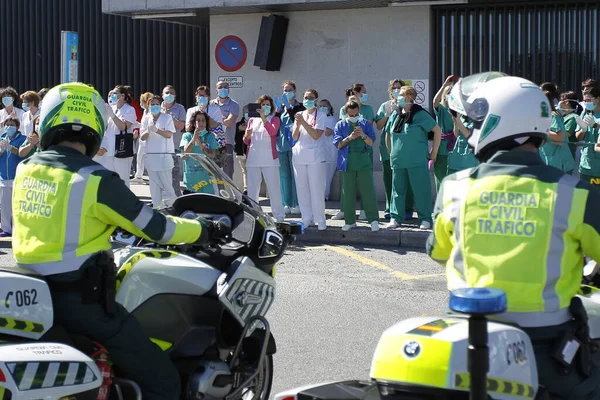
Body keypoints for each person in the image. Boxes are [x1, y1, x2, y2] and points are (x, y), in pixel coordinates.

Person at [12, 82, 227, 400]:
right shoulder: (95, 179)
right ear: (96, 126)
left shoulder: (25, 168)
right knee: (164, 382)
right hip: (83, 303)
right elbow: (158, 230)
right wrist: (204, 228)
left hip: (33, 297)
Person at [426, 72, 600, 399]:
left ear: (494, 124)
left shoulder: (455, 188)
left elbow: (437, 250)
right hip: (546, 352)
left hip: (465, 342)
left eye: (475, 120)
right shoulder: (574, 194)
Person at [385, 86, 441, 230]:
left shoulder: (420, 114)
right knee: (397, 191)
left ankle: (425, 219)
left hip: (417, 160)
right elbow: (388, 135)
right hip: (398, 161)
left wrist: (434, 152)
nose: (398, 97)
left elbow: (437, 130)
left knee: (421, 190)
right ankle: (395, 218)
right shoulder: (395, 114)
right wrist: (392, 152)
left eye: (401, 95)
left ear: (409, 97)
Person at [333, 101, 379, 232]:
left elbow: (371, 142)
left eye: (356, 114)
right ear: (346, 113)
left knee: (368, 191)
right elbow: (338, 144)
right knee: (347, 193)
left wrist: (363, 135)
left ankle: (374, 219)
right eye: (351, 114)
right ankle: (350, 221)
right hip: (347, 162)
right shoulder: (340, 125)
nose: (354, 116)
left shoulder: (365, 123)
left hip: (363, 161)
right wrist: (350, 137)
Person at [243, 95, 285, 222]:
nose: (265, 107)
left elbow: (273, 132)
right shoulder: (251, 120)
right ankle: (253, 214)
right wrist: (247, 135)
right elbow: (246, 140)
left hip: (269, 159)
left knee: (273, 188)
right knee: (252, 189)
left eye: (267, 105)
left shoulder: (275, 119)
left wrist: (263, 118)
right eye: (263, 105)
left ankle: (278, 215)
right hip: (254, 157)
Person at [292, 89, 327, 231]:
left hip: (316, 157)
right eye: (306, 97)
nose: (308, 100)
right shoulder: (299, 115)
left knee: (316, 189)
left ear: (316, 100)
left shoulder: (321, 115)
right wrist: (298, 124)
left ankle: (320, 219)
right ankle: (306, 217)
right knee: (302, 188)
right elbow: (295, 137)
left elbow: (316, 135)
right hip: (300, 155)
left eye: (311, 98)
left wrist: (304, 123)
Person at [96, 85, 138, 187]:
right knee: (110, 180)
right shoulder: (112, 108)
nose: (112, 96)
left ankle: (125, 202)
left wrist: (113, 115)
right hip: (110, 149)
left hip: (122, 149)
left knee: (122, 180)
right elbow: (106, 128)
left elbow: (123, 126)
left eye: (115, 94)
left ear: (122, 96)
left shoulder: (129, 109)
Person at [376, 79, 405, 220]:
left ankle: (405, 208)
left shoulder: (407, 106)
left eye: (399, 88)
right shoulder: (385, 106)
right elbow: (379, 126)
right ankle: (390, 207)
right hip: (387, 148)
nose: (397, 90)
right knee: (389, 179)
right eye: (394, 88)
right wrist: (387, 114)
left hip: (403, 148)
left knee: (403, 179)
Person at [140, 95, 177, 207]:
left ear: (160, 105)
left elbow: (169, 134)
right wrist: (148, 130)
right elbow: (142, 137)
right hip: (151, 158)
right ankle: (157, 208)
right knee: (154, 187)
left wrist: (157, 130)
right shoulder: (146, 118)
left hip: (164, 158)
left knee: (167, 186)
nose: (154, 106)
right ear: (149, 105)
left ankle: (172, 208)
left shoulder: (167, 118)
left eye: (157, 104)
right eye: (152, 104)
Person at [276, 80, 302, 215]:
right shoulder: (280, 108)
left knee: (295, 174)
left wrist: (289, 108)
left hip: (295, 145)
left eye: (290, 89)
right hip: (281, 145)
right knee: (284, 176)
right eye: (285, 90)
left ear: (295, 90)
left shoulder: (299, 107)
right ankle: (286, 203)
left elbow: (297, 120)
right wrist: (276, 112)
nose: (287, 92)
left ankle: (296, 203)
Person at [539, 84, 575, 174]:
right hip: (548, 162)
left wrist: (539, 129)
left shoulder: (553, 116)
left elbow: (560, 139)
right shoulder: (543, 116)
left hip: (559, 164)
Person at [181, 110, 218, 194]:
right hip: (192, 177)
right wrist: (194, 139)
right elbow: (185, 153)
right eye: (198, 120)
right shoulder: (186, 136)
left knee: (208, 203)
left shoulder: (210, 136)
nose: (201, 123)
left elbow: (212, 155)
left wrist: (200, 144)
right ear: (194, 123)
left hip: (206, 177)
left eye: (203, 120)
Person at [0, 118, 26, 236]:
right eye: (7, 125)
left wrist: (10, 147)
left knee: (17, 205)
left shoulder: (22, 139)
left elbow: (21, 153)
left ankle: (18, 228)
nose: (9, 127)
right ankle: (6, 229)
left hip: (17, 176)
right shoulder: (1, 139)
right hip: (4, 177)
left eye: (12, 125)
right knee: (5, 206)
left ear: (17, 127)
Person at [432, 76, 459, 192]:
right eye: (449, 93)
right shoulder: (442, 110)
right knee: (441, 179)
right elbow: (435, 102)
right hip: (442, 149)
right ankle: (441, 207)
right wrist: (444, 86)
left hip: (456, 150)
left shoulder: (460, 111)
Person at [161, 85, 186, 197]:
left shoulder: (180, 108)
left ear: (175, 96)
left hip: (174, 146)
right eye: (167, 93)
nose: (169, 95)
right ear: (162, 95)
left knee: (174, 176)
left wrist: (169, 116)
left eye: (171, 93)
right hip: (159, 148)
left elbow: (181, 125)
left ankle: (176, 198)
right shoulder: (156, 107)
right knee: (161, 176)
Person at [211, 81, 240, 179]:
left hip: (227, 142)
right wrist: (223, 118)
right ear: (216, 90)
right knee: (214, 172)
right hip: (212, 142)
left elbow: (230, 122)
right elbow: (208, 122)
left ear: (228, 89)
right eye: (220, 87)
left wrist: (216, 118)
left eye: (225, 87)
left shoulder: (234, 105)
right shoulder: (210, 104)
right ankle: (217, 193)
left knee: (228, 172)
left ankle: (229, 193)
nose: (223, 89)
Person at [576, 87, 600, 188]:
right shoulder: (585, 113)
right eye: (585, 101)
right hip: (586, 163)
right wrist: (583, 129)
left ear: (598, 98)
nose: (586, 103)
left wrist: (596, 126)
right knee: (585, 195)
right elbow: (578, 137)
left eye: (589, 100)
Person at [132, 92, 154, 184]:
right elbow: (144, 124)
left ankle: (152, 177)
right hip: (142, 138)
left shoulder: (152, 112)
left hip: (148, 139)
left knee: (149, 159)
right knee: (139, 158)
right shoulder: (145, 111)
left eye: (142, 101)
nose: (141, 103)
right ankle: (139, 176)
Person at [319, 99, 338, 201]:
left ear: (329, 107)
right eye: (320, 106)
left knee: (327, 177)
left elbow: (328, 132)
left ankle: (325, 195)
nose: (322, 108)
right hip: (322, 151)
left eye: (324, 106)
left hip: (330, 152)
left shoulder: (331, 119)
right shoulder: (321, 119)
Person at [558, 91, 582, 163]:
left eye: (561, 100)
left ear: (567, 102)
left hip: (566, 154)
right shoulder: (564, 116)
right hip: (559, 154)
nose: (559, 102)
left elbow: (567, 134)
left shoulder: (573, 117)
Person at [235, 105, 249, 193]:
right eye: (246, 112)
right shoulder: (238, 124)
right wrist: (240, 129)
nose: (248, 114)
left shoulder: (256, 123)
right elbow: (235, 137)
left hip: (252, 152)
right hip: (241, 152)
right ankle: (246, 189)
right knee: (245, 171)